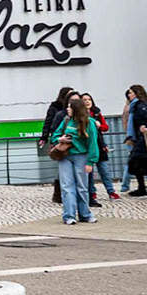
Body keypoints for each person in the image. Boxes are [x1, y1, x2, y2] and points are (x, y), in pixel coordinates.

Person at [55, 92, 99, 225]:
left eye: (70, 107)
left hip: (82, 156)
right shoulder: (66, 120)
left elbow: (93, 143)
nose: (67, 109)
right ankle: (69, 215)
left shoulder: (89, 123)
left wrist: (91, 161)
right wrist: (60, 138)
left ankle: (85, 214)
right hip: (66, 156)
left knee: (82, 186)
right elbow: (55, 134)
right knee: (67, 186)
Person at [85, 93, 121, 205]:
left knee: (104, 170)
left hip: (99, 144)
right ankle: (92, 192)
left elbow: (105, 127)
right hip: (87, 145)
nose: (87, 101)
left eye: (89, 99)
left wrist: (99, 125)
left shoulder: (96, 112)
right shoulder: (80, 115)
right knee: (89, 173)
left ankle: (111, 191)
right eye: (84, 100)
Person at [41, 86, 75, 204]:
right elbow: (49, 122)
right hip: (61, 142)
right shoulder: (58, 110)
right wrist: (45, 137)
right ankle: (58, 193)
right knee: (62, 170)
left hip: (74, 146)